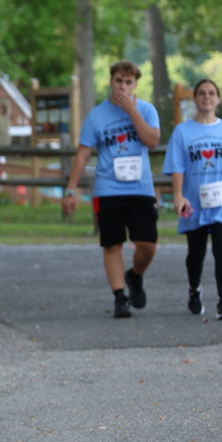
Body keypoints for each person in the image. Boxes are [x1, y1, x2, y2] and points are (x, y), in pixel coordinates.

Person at [61, 61, 161, 317]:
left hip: (140, 188)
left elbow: (151, 141)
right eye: (119, 81)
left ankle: (135, 275)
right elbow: (83, 155)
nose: (123, 86)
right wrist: (70, 191)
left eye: (128, 82)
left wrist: (132, 111)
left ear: (135, 85)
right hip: (108, 189)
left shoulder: (146, 110)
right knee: (112, 244)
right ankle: (120, 297)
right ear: (111, 82)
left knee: (147, 244)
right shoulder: (97, 115)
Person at [163, 77, 222, 319]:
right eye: (202, 93)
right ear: (194, 99)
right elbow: (177, 168)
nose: (207, 97)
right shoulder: (182, 131)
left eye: (212, 93)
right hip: (194, 201)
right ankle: (194, 290)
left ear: (218, 99)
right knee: (196, 253)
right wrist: (178, 196)